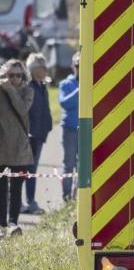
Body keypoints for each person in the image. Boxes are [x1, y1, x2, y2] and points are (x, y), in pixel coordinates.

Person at [0, 59, 34, 237]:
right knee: (1, 190)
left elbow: (22, 110)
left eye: (17, 75)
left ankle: (13, 223)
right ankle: (1, 225)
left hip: (20, 150)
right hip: (2, 148)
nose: (13, 79)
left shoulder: (28, 91)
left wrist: (10, 89)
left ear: (23, 76)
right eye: (10, 75)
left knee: (16, 190)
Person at [21, 53, 52, 214]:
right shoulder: (28, 87)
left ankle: (30, 201)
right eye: (43, 67)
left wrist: (48, 126)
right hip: (30, 136)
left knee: (32, 170)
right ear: (33, 69)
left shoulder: (42, 86)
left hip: (40, 135)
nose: (46, 70)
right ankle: (26, 202)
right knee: (25, 170)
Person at [59, 52, 79, 201]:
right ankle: (66, 196)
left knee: (83, 165)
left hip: (85, 130)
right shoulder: (66, 83)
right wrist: (80, 90)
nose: (80, 69)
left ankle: (77, 196)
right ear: (73, 66)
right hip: (70, 129)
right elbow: (65, 103)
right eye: (78, 65)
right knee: (69, 164)